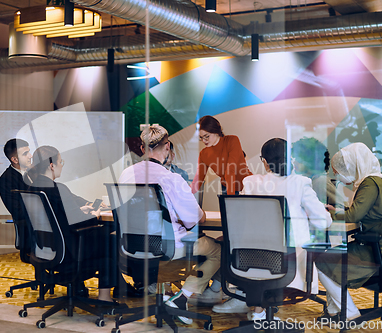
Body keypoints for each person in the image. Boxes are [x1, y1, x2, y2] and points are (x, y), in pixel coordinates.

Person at [212, 138, 332, 320]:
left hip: (248, 260)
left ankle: (258, 311)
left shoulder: (250, 183)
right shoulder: (300, 183)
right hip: (286, 264)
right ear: (291, 159)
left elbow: (241, 220)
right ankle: (260, 312)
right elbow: (324, 222)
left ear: (265, 162)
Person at [119, 124, 222, 325]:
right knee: (216, 250)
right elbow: (194, 219)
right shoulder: (171, 178)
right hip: (167, 248)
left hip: (133, 247)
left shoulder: (125, 175)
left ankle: (167, 297)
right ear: (167, 147)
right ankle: (182, 298)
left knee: (168, 235)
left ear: (142, 148)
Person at [27, 145, 116, 302]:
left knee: (104, 234)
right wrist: (94, 215)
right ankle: (105, 297)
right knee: (110, 237)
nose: (62, 165)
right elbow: (80, 222)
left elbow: (57, 216)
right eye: (61, 161)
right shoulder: (57, 189)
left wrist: (79, 210)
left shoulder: (32, 188)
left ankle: (82, 288)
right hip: (69, 252)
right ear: (51, 165)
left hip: (45, 249)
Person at [315, 142, 382, 325]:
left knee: (321, 262)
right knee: (329, 258)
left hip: (376, 250)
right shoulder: (375, 181)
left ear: (353, 166)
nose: (337, 175)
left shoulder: (369, 184)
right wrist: (339, 210)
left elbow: (354, 215)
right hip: (375, 245)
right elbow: (361, 212)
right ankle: (334, 311)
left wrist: (331, 213)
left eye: (339, 170)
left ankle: (350, 314)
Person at [191, 115, 251, 195]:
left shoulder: (232, 141)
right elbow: (198, 180)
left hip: (246, 186)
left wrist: (230, 199)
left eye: (207, 136)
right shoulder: (203, 154)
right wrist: (183, 196)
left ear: (216, 131)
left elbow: (230, 171)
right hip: (226, 187)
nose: (204, 140)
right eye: (201, 138)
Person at [291, 137, 349, 209]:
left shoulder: (320, 182)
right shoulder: (311, 180)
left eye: (298, 159)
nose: (294, 162)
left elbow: (344, 209)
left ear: (310, 161)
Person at [0, 138, 33, 222]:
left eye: (29, 151)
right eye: (25, 154)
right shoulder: (6, 180)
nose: (30, 156)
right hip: (30, 230)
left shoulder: (34, 172)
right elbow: (19, 212)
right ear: (14, 160)